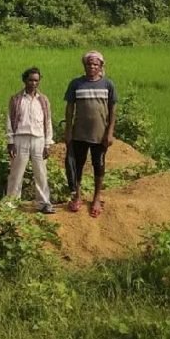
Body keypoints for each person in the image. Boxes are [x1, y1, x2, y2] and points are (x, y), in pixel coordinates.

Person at [64, 51, 118, 218]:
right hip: (79, 133)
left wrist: (109, 133)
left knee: (98, 165)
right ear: (85, 65)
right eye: (89, 64)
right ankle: (77, 196)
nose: (92, 66)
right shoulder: (76, 84)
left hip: (99, 135)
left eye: (95, 64)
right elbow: (69, 109)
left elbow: (113, 111)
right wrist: (68, 131)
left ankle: (96, 198)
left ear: (100, 66)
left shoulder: (107, 84)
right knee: (77, 165)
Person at [6, 67, 55, 214]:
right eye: (30, 80)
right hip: (21, 138)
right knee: (16, 172)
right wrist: (10, 141)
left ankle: (43, 203)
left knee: (41, 172)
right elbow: (9, 120)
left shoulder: (43, 100)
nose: (33, 83)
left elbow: (48, 122)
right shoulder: (16, 99)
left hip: (39, 139)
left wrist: (48, 143)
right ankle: (11, 203)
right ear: (24, 80)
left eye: (36, 80)